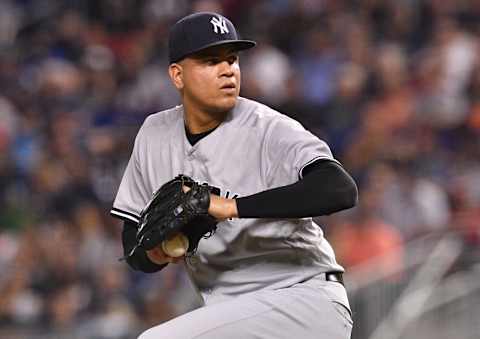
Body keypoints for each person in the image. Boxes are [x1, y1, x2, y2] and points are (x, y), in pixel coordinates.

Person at [110, 11, 358, 339]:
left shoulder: (268, 128)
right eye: (211, 61)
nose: (228, 70)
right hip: (233, 313)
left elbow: (339, 189)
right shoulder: (155, 134)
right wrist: (156, 252)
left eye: (232, 59)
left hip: (301, 299)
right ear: (177, 75)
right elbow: (133, 243)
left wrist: (229, 207)